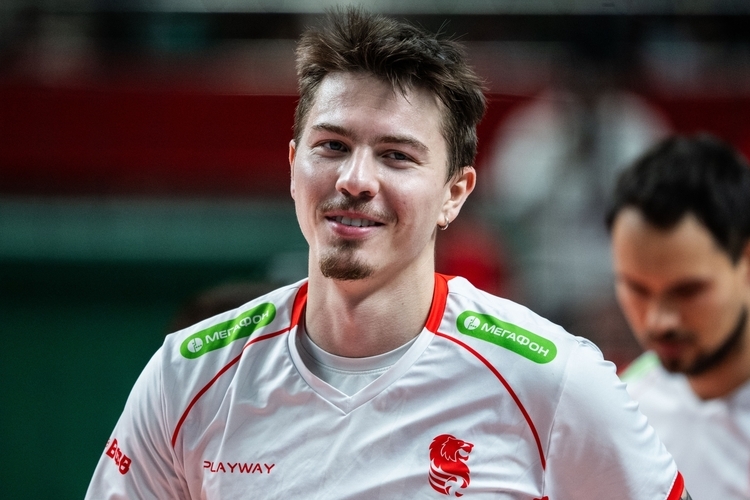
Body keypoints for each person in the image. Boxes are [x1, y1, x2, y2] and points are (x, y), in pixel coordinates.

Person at [86, 8, 689, 499]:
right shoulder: (185, 375)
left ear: (455, 194)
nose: (355, 179)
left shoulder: (555, 381)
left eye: (396, 156)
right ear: (293, 165)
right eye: (332, 145)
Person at [607, 134, 750, 500]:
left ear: (746, 262)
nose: (659, 321)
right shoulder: (621, 408)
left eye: (688, 291)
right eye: (636, 289)